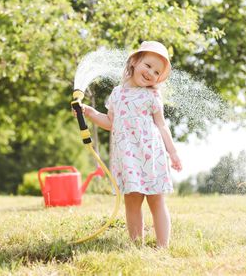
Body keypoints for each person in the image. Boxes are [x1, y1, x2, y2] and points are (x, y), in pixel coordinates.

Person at [77, 41, 182, 248]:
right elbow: (109, 122)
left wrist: (173, 153)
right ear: (134, 61)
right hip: (127, 157)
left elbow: (162, 126)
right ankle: (136, 245)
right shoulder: (117, 93)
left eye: (156, 72)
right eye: (148, 65)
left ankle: (163, 246)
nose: (151, 72)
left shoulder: (152, 95)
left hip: (150, 154)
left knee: (156, 200)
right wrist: (89, 113)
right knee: (132, 202)